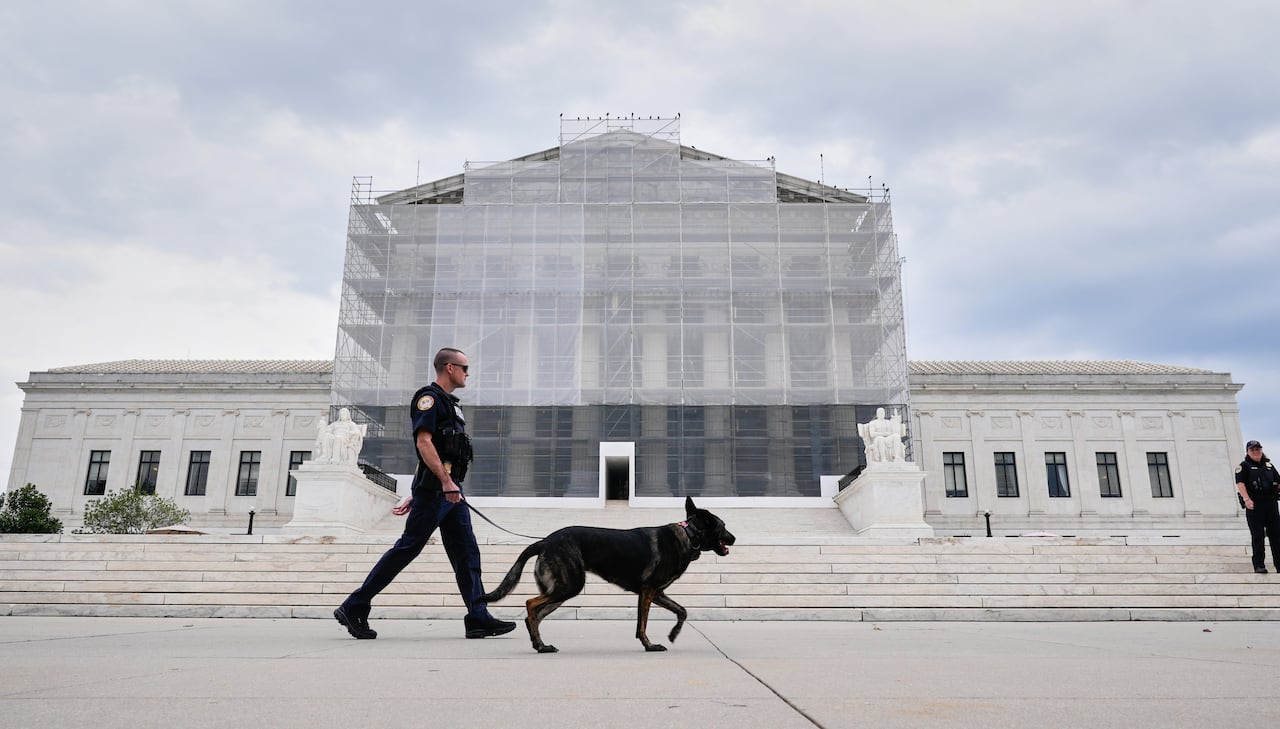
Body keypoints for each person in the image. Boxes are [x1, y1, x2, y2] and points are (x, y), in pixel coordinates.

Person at [334, 348, 516, 639]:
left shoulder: (451, 404)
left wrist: (423, 488)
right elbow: (424, 443)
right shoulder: (428, 399)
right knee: (408, 548)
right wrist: (435, 485)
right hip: (439, 489)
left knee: (467, 552)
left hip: (448, 489)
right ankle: (355, 605)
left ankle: (478, 616)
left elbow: (439, 452)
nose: (468, 373)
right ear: (449, 367)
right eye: (464, 367)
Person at [1235, 440, 1280, 574]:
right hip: (1255, 505)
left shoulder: (1269, 465)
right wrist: (1247, 499)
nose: (1256, 452)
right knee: (1258, 536)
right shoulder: (1244, 466)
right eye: (1253, 449)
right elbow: (1240, 483)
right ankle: (1259, 565)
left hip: (1271, 504)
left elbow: (1278, 482)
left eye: (1258, 449)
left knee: (1276, 536)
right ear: (1248, 452)